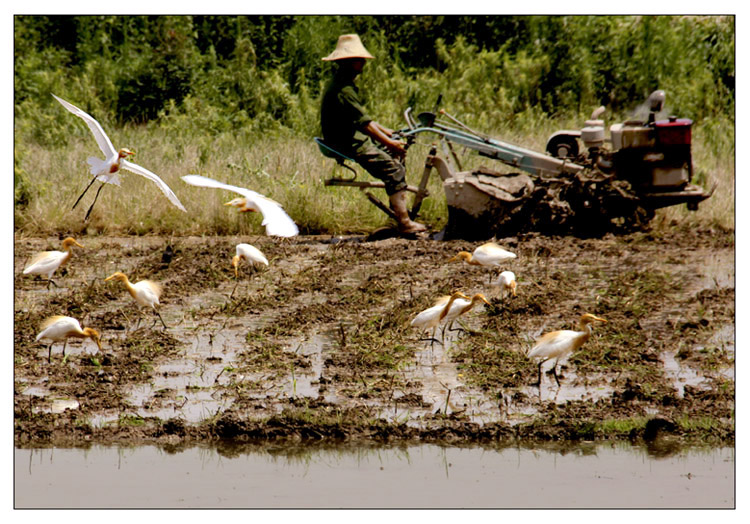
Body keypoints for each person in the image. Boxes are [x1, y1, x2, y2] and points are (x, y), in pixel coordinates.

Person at [320, 34, 427, 234]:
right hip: (348, 143)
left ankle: (400, 210)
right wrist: (391, 143)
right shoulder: (343, 90)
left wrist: (391, 134)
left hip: (349, 138)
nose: (363, 64)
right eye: (359, 60)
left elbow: (364, 120)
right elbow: (366, 125)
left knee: (394, 155)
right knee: (393, 170)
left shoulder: (342, 83)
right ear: (348, 61)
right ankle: (405, 223)